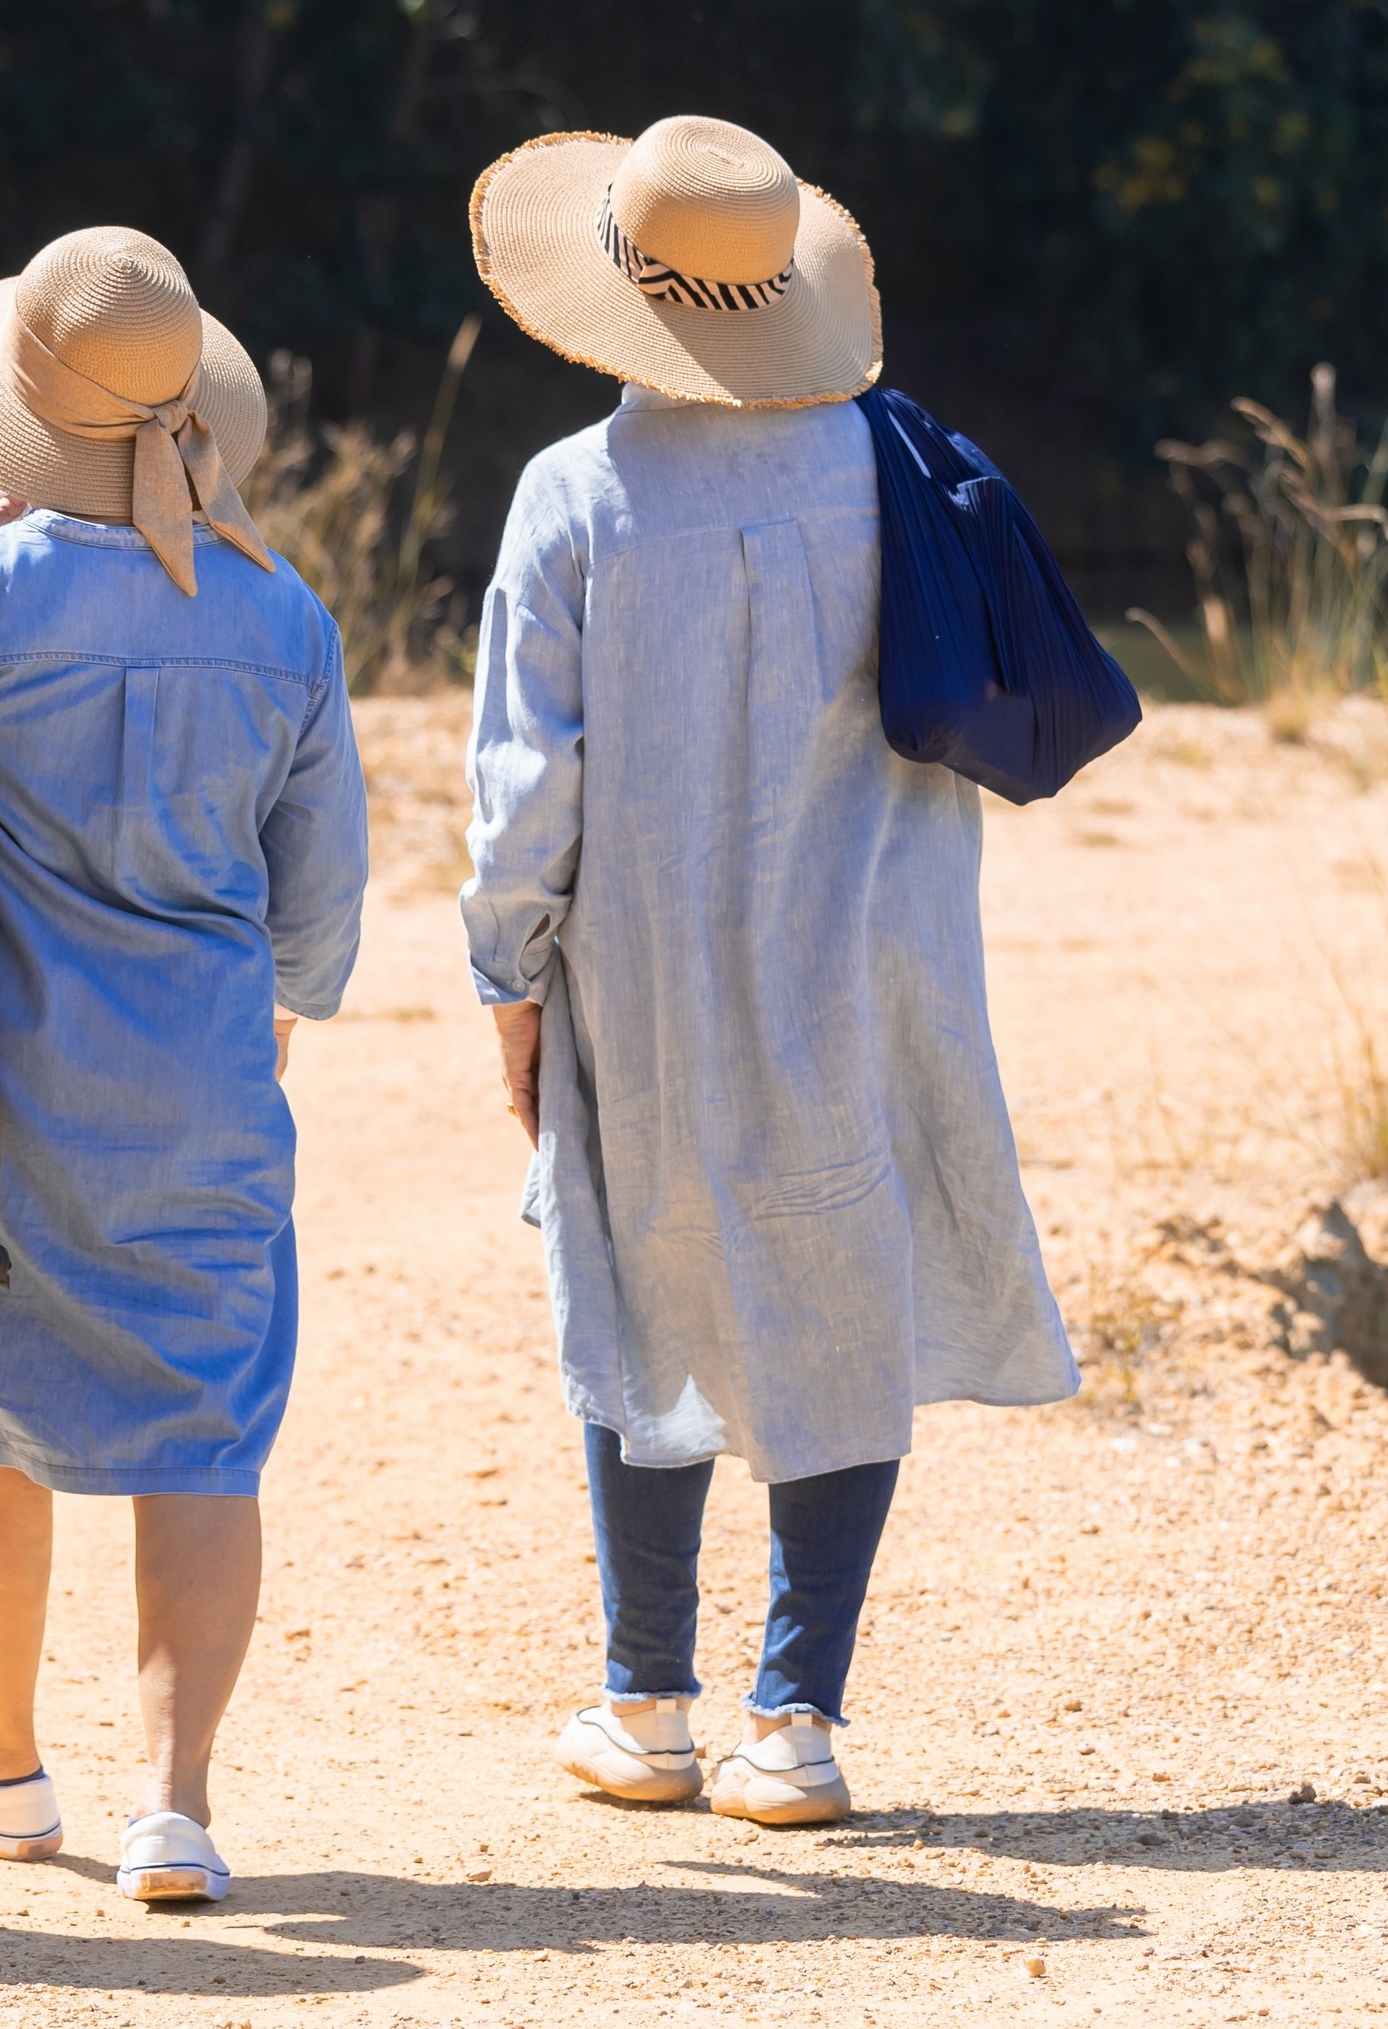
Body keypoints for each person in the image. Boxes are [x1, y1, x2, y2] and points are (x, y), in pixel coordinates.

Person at [457, 115, 1078, 1827]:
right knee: (840, 1289)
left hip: (638, 964)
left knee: (636, 1281)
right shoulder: (890, 475)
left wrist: (510, 976)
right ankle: (795, 1721)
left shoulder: (575, 496)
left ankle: (644, 1705)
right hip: (870, 952)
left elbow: (529, 782)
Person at [0, 226, 367, 1908]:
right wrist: (274, 999)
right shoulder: (282, 614)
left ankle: (4, 1772)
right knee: (203, 1433)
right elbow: (316, 908)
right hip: (201, 1085)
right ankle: (174, 1807)